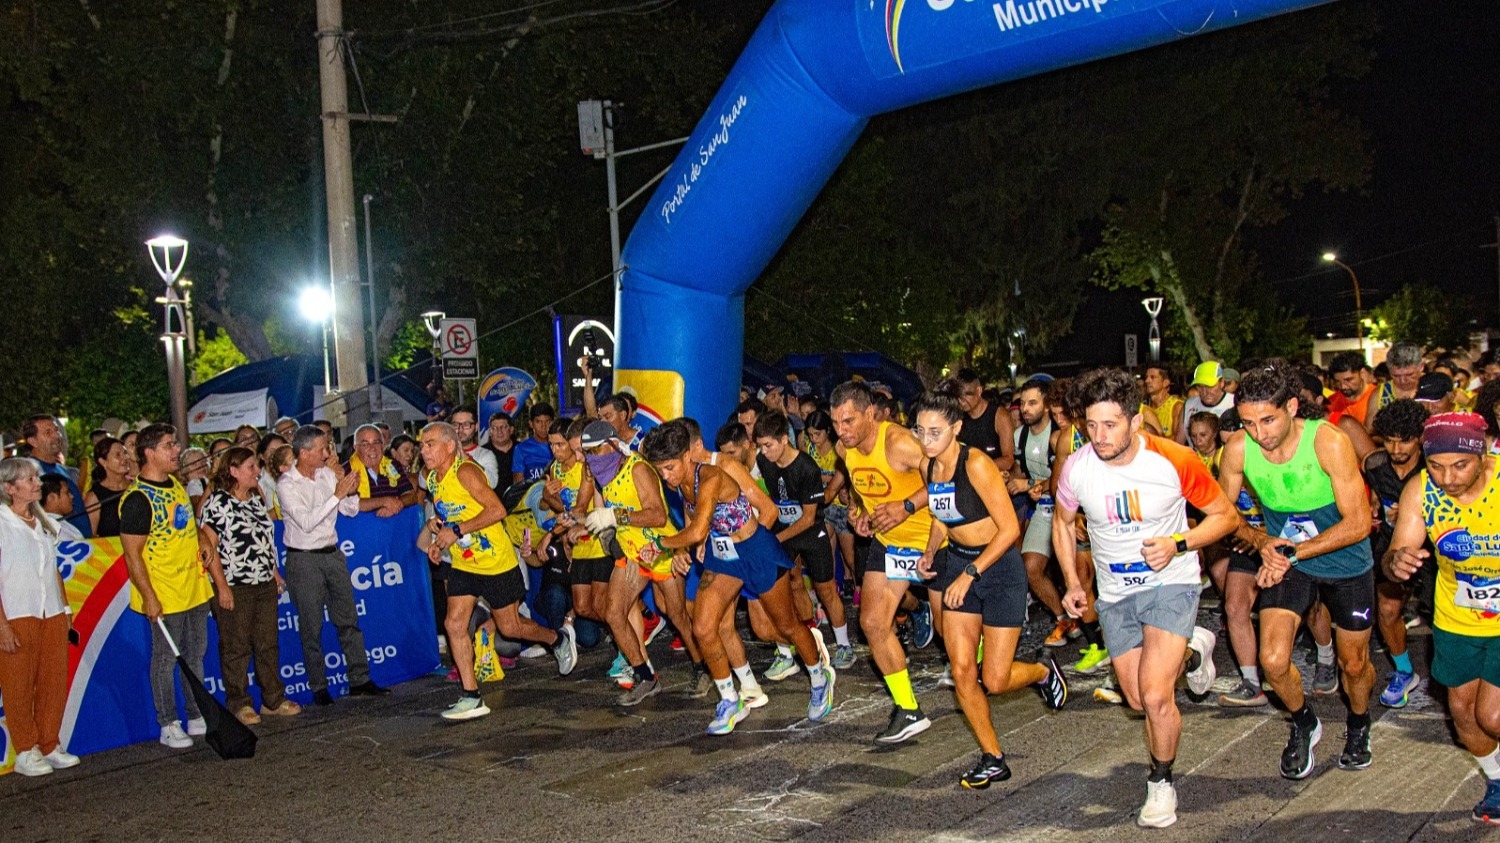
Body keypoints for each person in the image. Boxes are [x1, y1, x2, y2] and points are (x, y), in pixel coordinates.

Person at [1052, 368, 1233, 828]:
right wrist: (1074, 581)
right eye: (1090, 426)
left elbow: (1224, 517)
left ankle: (1161, 783)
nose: (1099, 436)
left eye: (1110, 424)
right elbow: (1061, 523)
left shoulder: (1174, 459)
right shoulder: (1076, 467)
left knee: (1155, 696)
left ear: (1135, 422)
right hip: (1115, 593)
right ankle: (1193, 651)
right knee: (1135, 699)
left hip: (1169, 582)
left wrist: (1179, 543)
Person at [1217, 359, 1377, 781]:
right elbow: (1222, 513)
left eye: (1268, 420)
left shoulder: (1328, 441)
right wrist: (1261, 542)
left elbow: (1359, 523)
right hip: (1285, 559)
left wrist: (1293, 551)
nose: (1259, 433)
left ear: (1291, 406)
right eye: (1248, 423)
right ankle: (1305, 722)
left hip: (1342, 560)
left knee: (1354, 664)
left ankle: (1359, 724)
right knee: (1272, 660)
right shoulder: (1238, 448)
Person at [912, 385, 1068, 788]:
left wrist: (971, 574)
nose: (926, 440)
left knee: (995, 680)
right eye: (920, 431)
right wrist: (931, 553)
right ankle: (993, 756)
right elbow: (941, 515)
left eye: (935, 432)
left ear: (956, 428)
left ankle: (1039, 672)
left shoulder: (976, 463)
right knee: (963, 671)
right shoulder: (929, 467)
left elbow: (1010, 529)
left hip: (997, 571)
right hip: (959, 568)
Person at [640, 420, 835, 734]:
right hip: (723, 558)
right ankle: (731, 699)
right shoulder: (680, 481)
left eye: (669, 468)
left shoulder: (714, 474)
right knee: (703, 628)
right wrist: (687, 548)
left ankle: (818, 675)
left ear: (687, 456)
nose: (666, 476)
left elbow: (700, 527)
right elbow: (694, 522)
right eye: (660, 470)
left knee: (784, 625)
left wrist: (663, 544)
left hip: (756, 551)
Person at [1383, 412, 1500, 825]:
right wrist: (1397, 562)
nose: (1447, 477)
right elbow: (1395, 552)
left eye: (1460, 465)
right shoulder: (1421, 490)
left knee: (1493, 716)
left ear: (1483, 453)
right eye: (1436, 465)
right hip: (1455, 620)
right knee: (1465, 718)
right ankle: (1498, 783)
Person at [420, 422, 577, 720]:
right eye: (422, 445)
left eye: (430, 444)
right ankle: (471, 696)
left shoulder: (466, 472)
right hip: (465, 563)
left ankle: (557, 639)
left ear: (450, 446)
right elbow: (449, 513)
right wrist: (438, 537)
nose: (424, 450)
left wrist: (456, 530)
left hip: (496, 563)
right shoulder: (432, 479)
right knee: (454, 624)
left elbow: (497, 511)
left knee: (510, 627)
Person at [832, 380, 939, 743]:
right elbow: (864, 490)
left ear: (870, 414)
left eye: (848, 422)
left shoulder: (899, 444)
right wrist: (859, 511)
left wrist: (907, 506)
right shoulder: (843, 450)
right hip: (889, 542)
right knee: (872, 622)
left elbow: (943, 481)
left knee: (959, 639)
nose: (841, 431)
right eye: (836, 423)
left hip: (931, 542)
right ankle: (908, 708)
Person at [578, 421, 703, 704]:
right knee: (613, 613)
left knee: (676, 614)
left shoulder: (638, 468)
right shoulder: (601, 475)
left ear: (611, 445)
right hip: (633, 552)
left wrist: (615, 517)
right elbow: (597, 511)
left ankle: (700, 666)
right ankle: (645, 676)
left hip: (661, 550)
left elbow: (658, 515)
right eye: (587, 454)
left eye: (595, 451)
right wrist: (579, 525)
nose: (591, 459)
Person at [118, 424, 221, 749]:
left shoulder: (175, 485)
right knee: (165, 660)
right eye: (168, 445)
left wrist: (204, 539)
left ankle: (195, 714)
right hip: (165, 593)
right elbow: (132, 555)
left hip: (193, 586)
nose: (176, 450)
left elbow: (190, 523)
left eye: (175, 443)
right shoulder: (137, 499)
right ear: (149, 453)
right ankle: (168, 722)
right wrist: (149, 597)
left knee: (195, 655)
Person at [277, 425, 390, 706]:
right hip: (303, 558)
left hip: (332, 553)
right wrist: (338, 494)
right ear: (304, 453)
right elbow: (306, 521)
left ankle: (360, 679)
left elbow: (349, 510)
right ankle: (319, 686)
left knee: (348, 619)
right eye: (322, 449)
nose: (328, 453)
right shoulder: (286, 484)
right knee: (311, 625)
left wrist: (348, 490)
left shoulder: (328, 474)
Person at [198, 447, 301, 725]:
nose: (258, 471)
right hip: (235, 584)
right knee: (236, 646)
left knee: (267, 643)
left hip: (264, 582)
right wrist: (221, 586)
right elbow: (208, 547)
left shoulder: (256, 498)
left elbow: (265, 539)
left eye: (257, 466)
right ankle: (239, 702)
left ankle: (273, 699)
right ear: (233, 471)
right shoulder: (217, 504)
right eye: (251, 466)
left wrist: (274, 572)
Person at [754, 411, 855, 669]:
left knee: (825, 589)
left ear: (784, 440)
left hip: (810, 533)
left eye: (769, 445)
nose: (764, 452)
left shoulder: (806, 467)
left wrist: (774, 538)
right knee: (790, 585)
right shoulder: (763, 462)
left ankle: (844, 644)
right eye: (760, 446)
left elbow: (808, 519)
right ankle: (804, 638)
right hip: (784, 531)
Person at [0, 457, 79, 776]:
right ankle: (26, 749)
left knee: (53, 680)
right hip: (18, 612)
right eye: (29, 479)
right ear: (9, 488)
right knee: (18, 684)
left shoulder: (43, 519)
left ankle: (49, 743)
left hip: (51, 612)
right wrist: (2, 624)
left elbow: (53, 567)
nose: (37, 483)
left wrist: (66, 608)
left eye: (36, 477)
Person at [1363, 399, 1430, 708]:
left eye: (1405, 439)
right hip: (1391, 548)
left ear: (1420, 438)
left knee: (1444, 618)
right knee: (1387, 610)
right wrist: (1374, 506)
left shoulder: (1433, 467)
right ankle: (1404, 672)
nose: (1396, 447)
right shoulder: (1375, 465)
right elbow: (1373, 494)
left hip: (1431, 554)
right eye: (1389, 439)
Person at [1007, 378, 1073, 650]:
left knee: (1080, 572)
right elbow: (1020, 473)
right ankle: (1063, 619)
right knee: (1030, 568)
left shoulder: (1059, 435)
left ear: (1046, 405)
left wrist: (1035, 485)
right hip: (1044, 509)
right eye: (1022, 402)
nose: (1025, 408)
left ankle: (1096, 631)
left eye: (1032, 402)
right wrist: (1009, 479)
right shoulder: (1018, 435)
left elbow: (1065, 478)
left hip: (1069, 509)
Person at [22, 415, 89, 537]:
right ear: (32, 441)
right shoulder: (28, 473)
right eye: (48, 432)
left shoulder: (65, 471)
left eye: (56, 430)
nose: (57, 436)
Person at [345, 423, 418, 516]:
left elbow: (412, 496)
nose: (372, 448)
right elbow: (349, 504)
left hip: (393, 526)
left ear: (383, 445)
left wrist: (397, 504)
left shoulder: (393, 465)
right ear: (356, 448)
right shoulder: (347, 470)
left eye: (376, 442)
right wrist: (384, 502)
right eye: (365, 444)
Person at [954, 369, 1017, 472]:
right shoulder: (958, 417)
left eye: (967, 395)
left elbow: (1008, 460)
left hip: (992, 477)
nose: (961, 400)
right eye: (958, 396)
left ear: (979, 391)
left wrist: (976, 468)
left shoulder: (1000, 416)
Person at [1365, 342, 1424, 432]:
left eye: (1409, 375)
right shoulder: (1380, 394)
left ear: (1421, 367)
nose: (1402, 381)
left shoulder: (1433, 387)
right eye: (1396, 376)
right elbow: (1369, 430)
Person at [84, 436, 132, 537]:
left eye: (125, 453)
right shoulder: (94, 497)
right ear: (103, 462)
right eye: (118, 455)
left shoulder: (137, 486)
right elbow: (90, 536)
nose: (125, 458)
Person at [450, 409, 501, 489]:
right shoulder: (443, 452)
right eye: (455, 425)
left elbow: (492, 483)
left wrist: (468, 459)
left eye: (466, 424)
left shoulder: (485, 455)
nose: (460, 429)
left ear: (476, 427)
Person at [1326, 352, 1376, 428]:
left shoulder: (1379, 397)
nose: (1343, 387)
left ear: (1362, 373)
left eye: (1348, 380)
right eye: (1337, 381)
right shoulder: (1331, 402)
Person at [513, 404, 556, 485]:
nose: (543, 426)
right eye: (538, 421)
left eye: (547, 421)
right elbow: (518, 485)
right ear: (531, 423)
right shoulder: (521, 449)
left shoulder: (561, 446)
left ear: (553, 422)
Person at [1144, 365, 1186, 444]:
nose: (1147, 380)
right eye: (1146, 377)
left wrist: (1154, 440)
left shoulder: (1177, 406)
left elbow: (1177, 439)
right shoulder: (1144, 407)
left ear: (1165, 382)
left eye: (1152, 377)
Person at [39, 475, 84, 542]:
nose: (72, 496)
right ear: (52, 497)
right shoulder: (50, 527)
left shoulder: (55, 522)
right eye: (67, 492)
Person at [481, 412, 517, 492]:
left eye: (503, 427)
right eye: (494, 428)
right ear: (490, 432)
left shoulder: (522, 449)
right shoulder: (482, 453)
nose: (499, 431)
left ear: (511, 430)